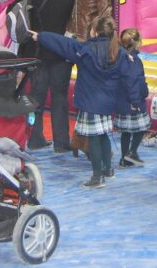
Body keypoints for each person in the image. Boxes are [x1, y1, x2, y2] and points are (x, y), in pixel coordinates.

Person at [33, 15, 133, 189]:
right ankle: (108, 169)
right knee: (103, 135)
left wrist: (41, 36)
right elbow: (129, 78)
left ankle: (97, 176)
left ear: (94, 31)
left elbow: (63, 44)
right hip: (107, 102)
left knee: (93, 137)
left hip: (90, 101)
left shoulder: (86, 50)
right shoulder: (120, 53)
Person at [25, 0, 77, 152]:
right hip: (59, 50)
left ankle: (35, 138)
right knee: (59, 97)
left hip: (36, 50)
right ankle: (61, 143)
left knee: (35, 97)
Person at [115, 28, 150, 167]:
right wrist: (136, 101)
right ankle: (132, 152)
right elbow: (133, 82)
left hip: (122, 99)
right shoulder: (133, 60)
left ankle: (124, 158)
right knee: (142, 127)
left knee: (126, 132)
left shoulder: (120, 57)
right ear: (137, 43)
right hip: (133, 100)